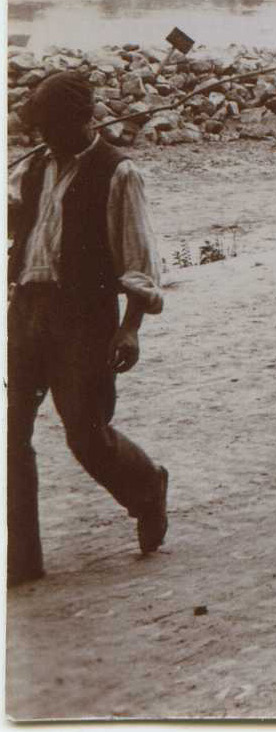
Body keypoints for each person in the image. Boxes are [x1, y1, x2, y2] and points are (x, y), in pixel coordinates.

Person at [8, 71, 169, 586]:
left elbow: (139, 262)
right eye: (38, 128)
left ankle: (146, 487)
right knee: (11, 435)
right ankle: (21, 559)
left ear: (81, 120)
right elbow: (21, 229)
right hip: (26, 312)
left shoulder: (119, 173)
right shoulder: (31, 169)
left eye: (51, 127)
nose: (42, 138)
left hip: (84, 320)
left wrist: (130, 328)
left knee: (85, 434)